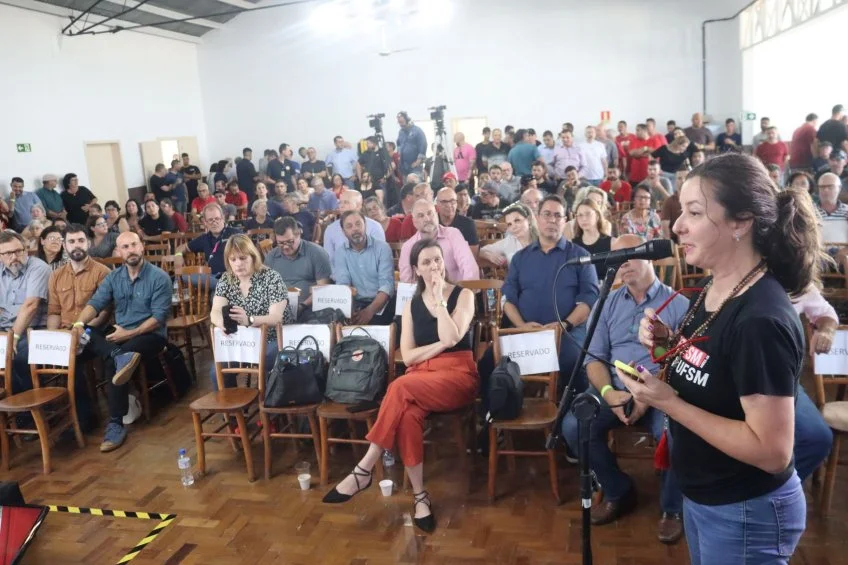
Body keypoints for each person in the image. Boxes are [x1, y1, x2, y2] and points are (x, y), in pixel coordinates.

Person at [623, 153, 814, 564]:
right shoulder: (720, 286)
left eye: (694, 212)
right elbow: (715, 365)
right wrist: (665, 343)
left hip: (744, 508)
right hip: (707, 495)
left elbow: (772, 450)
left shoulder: (761, 319)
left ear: (740, 223)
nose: (677, 225)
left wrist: (668, 403)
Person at [323, 238, 478, 534]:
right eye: (426, 263)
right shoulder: (411, 306)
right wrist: (438, 346)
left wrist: (441, 302)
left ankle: (365, 467)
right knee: (406, 415)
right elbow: (408, 355)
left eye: (437, 260)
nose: (434, 267)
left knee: (399, 386)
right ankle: (421, 498)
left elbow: (454, 337)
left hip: (458, 375)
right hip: (420, 377)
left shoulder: (464, 295)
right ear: (416, 270)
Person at [563, 234, 687, 543]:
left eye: (631, 253)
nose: (623, 262)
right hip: (615, 388)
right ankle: (619, 490)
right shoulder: (606, 303)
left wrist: (647, 396)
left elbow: (685, 366)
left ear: (649, 256)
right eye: (617, 257)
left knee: (676, 434)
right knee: (573, 425)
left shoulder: (679, 303)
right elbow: (593, 359)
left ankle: (672, 508)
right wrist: (608, 393)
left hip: (661, 393)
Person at [481, 195, 598, 395]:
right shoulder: (520, 257)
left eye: (557, 215)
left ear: (565, 219)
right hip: (525, 330)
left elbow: (589, 299)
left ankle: (569, 419)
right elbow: (508, 299)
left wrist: (564, 325)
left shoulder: (580, 256)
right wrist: (521, 326)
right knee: (488, 361)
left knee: (574, 362)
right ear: (537, 217)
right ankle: (497, 416)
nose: (552, 220)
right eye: (547, 214)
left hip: (566, 331)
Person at [73, 231, 172, 452]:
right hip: (119, 335)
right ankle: (116, 357)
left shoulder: (159, 277)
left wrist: (128, 334)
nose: (131, 250)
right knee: (85, 334)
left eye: (134, 245)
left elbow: (158, 318)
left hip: (150, 336)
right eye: (125, 247)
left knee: (111, 361)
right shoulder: (114, 277)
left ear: (142, 247)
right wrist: (78, 325)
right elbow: (95, 304)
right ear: (119, 252)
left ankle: (116, 423)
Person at [47, 223, 112, 430]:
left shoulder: (102, 271)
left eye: (81, 241)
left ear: (89, 242)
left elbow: (104, 313)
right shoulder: (56, 276)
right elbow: (54, 312)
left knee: (72, 360)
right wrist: (53, 337)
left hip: (93, 329)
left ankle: (84, 419)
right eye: (72, 241)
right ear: (65, 245)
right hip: (65, 331)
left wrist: (81, 330)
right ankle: (53, 415)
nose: (77, 245)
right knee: (39, 357)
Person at [209, 234, 291, 389]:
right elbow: (215, 312)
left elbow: (275, 318)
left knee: (266, 358)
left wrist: (249, 320)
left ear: (253, 257)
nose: (238, 264)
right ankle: (234, 410)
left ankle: (270, 404)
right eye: (233, 260)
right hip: (242, 340)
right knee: (216, 371)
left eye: (243, 258)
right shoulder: (226, 280)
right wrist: (222, 324)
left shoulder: (271, 278)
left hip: (273, 336)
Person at [0, 231, 52, 403]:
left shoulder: (38, 267)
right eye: (7, 253)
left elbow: (31, 306)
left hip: (34, 329)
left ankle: (30, 412)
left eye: (18, 251)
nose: (14, 257)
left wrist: (13, 336)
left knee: (18, 357)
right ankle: (8, 409)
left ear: (26, 249)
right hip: (6, 329)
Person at [332, 210, 395, 325]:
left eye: (358, 224)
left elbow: (386, 286)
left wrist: (370, 311)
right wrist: (349, 311)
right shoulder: (340, 253)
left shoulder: (382, 248)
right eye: (349, 226)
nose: (355, 229)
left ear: (365, 225)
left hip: (382, 302)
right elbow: (343, 285)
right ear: (343, 232)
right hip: (356, 303)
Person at [264, 217, 331, 320]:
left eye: (289, 242)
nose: (285, 247)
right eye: (280, 243)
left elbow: (323, 288)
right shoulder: (272, 257)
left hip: (310, 308)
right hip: (278, 309)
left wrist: (302, 306)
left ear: (298, 234)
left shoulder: (317, 253)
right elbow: (266, 288)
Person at [398, 200, 478, 284]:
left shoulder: (453, 234)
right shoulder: (408, 247)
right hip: (424, 295)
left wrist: (466, 293)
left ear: (436, 215)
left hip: (454, 293)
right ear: (414, 222)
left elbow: (469, 267)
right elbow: (406, 283)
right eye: (421, 216)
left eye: (430, 213)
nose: (427, 219)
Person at [175, 203, 240, 290]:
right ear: (205, 222)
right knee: (185, 275)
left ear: (223, 218)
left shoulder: (236, 233)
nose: (214, 222)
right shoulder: (204, 238)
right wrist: (178, 255)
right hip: (213, 278)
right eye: (210, 220)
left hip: (233, 276)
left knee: (216, 296)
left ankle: (224, 288)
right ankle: (224, 288)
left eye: (217, 219)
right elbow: (181, 248)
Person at [322, 190, 386, 264]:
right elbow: (329, 260)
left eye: (346, 202)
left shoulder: (374, 227)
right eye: (340, 202)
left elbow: (380, 258)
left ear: (358, 205)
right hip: (340, 273)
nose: (341, 206)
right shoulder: (331, 229)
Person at [479, 203, 537, 267]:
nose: (514, 227)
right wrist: (489, 255)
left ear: (528, 220)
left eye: (517, 220)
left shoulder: (543, 239)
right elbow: (481, 251)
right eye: (509, 224)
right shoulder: (509, 241)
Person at [571, 199, 613, 281]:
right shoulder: (573, 245)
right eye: (580, 215)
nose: (584, 219)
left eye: (588, 214)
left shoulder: (611, 243)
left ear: (597, 216)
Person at [435, 187, 479, 253]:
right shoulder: (432, 224)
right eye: (444, 202)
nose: (449, 205)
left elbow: (473, 255)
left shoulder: (468, 224)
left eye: (452, 201)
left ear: (456, 203)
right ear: (437, 204)